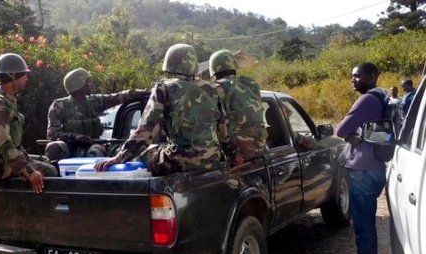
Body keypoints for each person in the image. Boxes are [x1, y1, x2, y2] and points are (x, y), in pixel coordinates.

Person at [95, 43, 221, 176]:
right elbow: (223, 128)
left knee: (146, 152)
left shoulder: (164, 88)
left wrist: (119, 157)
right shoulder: (212, 89)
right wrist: (229, 157)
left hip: (179, 161)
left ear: (169, 64)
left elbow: (146, 132)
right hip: (212, 160)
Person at [336, 62, 387, 254]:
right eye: (352, 76)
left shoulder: (367, 100)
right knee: (365, 228)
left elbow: (341, 129)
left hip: (363, 171)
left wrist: (352, 136)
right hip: (374, 167)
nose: (353, 80)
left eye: (357, 76)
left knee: (364, 230)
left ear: (372, 76)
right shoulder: (381, 97)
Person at [0, 53, 57, 194]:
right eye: (23, 75)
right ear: (12, 76)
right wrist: (29, 171)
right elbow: (4, 144)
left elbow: (15, 145)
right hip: (0, 167)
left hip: (7, 160)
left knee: (46, 161)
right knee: (50, 171)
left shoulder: (7, 101)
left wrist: (27, 162)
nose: (26, 78)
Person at [44, 68, 148, 162]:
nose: (90, 85)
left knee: (95, 152)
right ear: (78, 85)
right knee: (53, 147)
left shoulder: (95, 101)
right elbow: (52, 134)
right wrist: (75, 137)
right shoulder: (59, 105)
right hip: (69, 145)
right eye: (87, 83)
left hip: (94, 144)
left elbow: (118, 97)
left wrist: (143, 93)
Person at [208, 49, 267, 165]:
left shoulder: (216, 90)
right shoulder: (250, 84)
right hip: (259, 148)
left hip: (235, 155)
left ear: (214, 69)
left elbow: (213, 122)